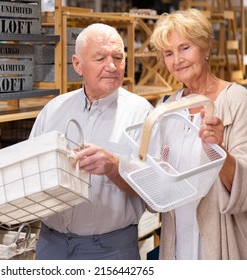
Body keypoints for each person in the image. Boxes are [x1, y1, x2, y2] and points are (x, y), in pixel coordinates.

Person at [149, 8, 247, 259]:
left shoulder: (236, 99)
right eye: (169, 53)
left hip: (223, 238)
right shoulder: (166, 108)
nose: (177, 60)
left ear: (205, 48)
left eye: (185, 48)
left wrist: (218, 150)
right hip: (179, 238)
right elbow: (159, 190)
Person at [29, 23, 154, 260]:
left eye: (118, 57)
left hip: (110, 249)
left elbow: (154, 193)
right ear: (77, 65)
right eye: (100, 58)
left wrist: (115, 167)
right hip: (50, 244)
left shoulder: (142, 115)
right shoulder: (54, 110)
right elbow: (32, 174)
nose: (111, 66)